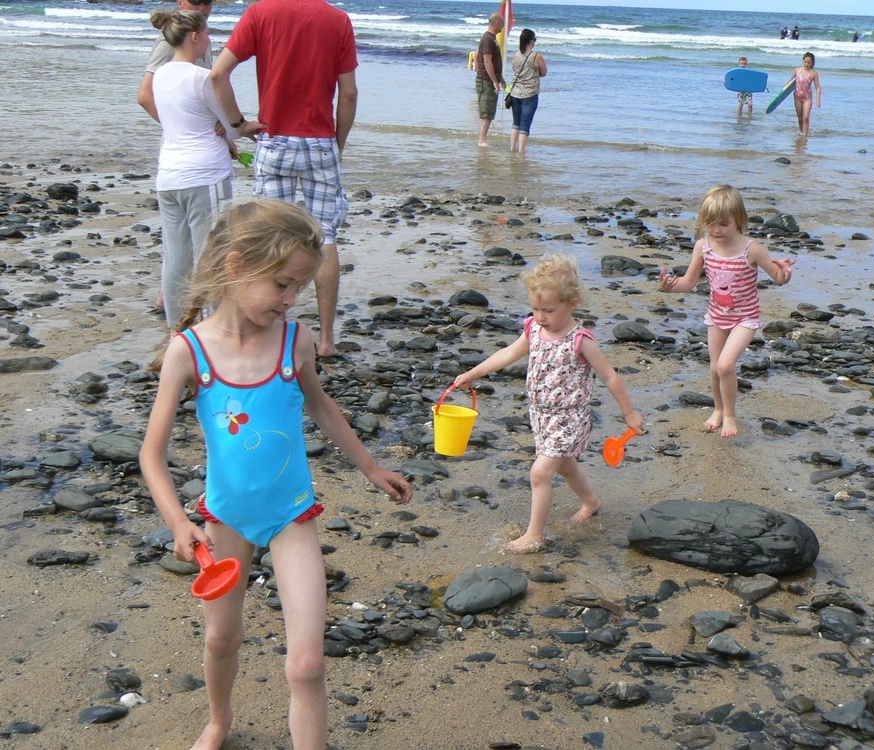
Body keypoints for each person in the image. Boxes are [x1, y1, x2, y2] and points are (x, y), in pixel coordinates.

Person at [139, 199, 413, 750]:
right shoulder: (188, 352)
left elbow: (322, 406)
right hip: (226, 520)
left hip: (291, 515)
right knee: (222, 638)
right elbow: (152, 453)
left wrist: (371, 466)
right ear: (237, 266)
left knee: (308, 665)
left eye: (300, 288)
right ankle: (218, 722)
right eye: (283, 285)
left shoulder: (296, 341)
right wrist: (177, 523)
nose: (291, 300)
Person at [453, 254, 644, 553]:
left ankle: (534, 535)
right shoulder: (533, 329)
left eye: (549, 310)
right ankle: (591, 501)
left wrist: (630, 413)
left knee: (540, 473)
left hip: (570, 418)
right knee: (566, 465)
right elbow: (507, 354)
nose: (541, 316)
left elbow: (610, 377)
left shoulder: (581, 340)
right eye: (535, 308)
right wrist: (473, 373)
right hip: (540, 415)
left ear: (572, 304)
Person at [210, 0, 359, 359]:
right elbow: (349, 93)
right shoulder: (338, 20)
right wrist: (336, 144)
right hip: (319, 141)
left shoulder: (262, 13)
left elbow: (217, 75)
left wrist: (237, 124)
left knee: (267, 238)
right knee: (326, 238)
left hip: (274, 139)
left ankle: (259, 327)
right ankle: (325, 340)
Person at [659, 185, 795, 439]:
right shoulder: (703, 246)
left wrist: (785, 273)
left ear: (739, 220)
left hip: (745, 318)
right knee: (714, 368)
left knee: (725, 365)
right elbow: (688, 282)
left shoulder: (750, 249)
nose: (715, 230)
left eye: (723, 224)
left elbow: (776, 276)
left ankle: (731, 415)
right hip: (717, 315)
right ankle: (718, 409)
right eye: (709, 223)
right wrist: (670, 287)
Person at [149, 9, 238, 330]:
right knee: (212, 254)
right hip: (204, 175)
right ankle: (214, 329)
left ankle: (178, 331)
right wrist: (250, 125)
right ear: (195, 37)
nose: (211, 40)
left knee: (176, 256)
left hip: (169, 176)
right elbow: (233, 124)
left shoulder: (161, 75)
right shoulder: (202, 77)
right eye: (208, 34)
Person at [137, 0, 214, 312]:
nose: (204, 6)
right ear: (181, 2)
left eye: (208, 1)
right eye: (196, 1)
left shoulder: (200, 35)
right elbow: (145, 95)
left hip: (187, 153)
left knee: (183, 237)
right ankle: (174, 301)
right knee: (190, 241)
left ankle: (172, 303)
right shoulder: (170, 40)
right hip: (188, 151)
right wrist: (180, 127)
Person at [508, 28, 547, 154]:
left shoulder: (515, 55)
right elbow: (544, 73)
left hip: (515, 93)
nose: (535, 42)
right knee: (525, 124)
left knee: (516, 123)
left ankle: (512, 148)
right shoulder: (536, 56)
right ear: (531, 41)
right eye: (534, 40)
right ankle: (521, 151)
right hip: (530, 93)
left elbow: (515, 70)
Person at [475, 13, 506, 148]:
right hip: (486, 81)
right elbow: (487, 61)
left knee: (487, 111)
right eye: (502, 23)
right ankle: (482, 141)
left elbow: (479, 57)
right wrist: (494, 80)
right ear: (496, 23)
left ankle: (482, 139)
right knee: (487, 112)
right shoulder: (487, 39)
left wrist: (500, 78)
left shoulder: (492, 39)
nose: (504, 26)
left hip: (489, 79)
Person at [787, 51, 821, 138]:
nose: (807, 64)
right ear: (803, 61)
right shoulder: (797, 70)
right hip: (797, 97)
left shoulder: (814, 73)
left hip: (807, 98)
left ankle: (804, 137)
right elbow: (789, 83)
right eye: (805, 62)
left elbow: (817, 87)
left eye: (809, 62)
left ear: (812, 63)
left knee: (806, 117)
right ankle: (802, 133)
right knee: (800, 119)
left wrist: (818, 100)